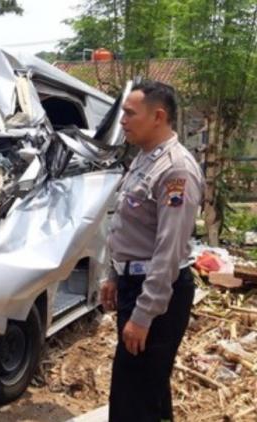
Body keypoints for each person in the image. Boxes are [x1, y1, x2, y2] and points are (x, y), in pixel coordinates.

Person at [101, 81, 203, 422]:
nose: (123, 121)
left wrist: (143, 316)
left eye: (130, 114)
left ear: (158, 116)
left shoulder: (176, 170)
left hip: (159, 294)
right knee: (148, 391)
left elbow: (168, 251)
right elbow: (128, 227)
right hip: (136, 286)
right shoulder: (145, 159)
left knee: (133, 400)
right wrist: (114, 275)